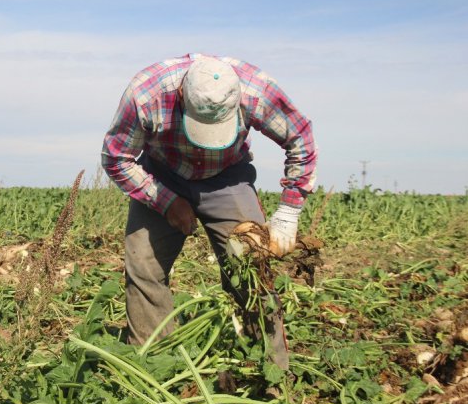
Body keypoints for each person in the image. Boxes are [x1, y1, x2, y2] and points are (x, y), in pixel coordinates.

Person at [101, 53, 317, 369]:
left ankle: (270, 372)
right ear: (180, 98)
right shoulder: (146, 95)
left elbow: (300, 139)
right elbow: (116, 158)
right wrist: (166, 201)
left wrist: (288, 213)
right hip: (162, 174)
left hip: (227, 176)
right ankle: (155, 368)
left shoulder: (257, 92)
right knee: (143, 266)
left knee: (251, 267)